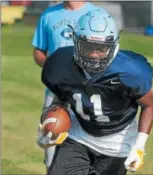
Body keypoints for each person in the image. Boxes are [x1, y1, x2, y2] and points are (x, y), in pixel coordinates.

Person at [38, 9, 153, 175]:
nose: (94, 55)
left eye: (101, 49)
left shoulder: (130, 71)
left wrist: (139, 146)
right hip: (79, 135)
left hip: (118, 141)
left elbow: (149, 106)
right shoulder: (61, 63)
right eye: (88, 47)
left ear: (114, 45)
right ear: (76, 42)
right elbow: (62, 95)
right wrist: (49, 122)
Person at [32, 1, 101, 170]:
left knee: (91, 145)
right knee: (51, 139)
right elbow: (38, 51)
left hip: (87, 91)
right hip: (56, 91)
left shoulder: (97, 14)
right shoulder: (49, 15)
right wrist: (53, 67)